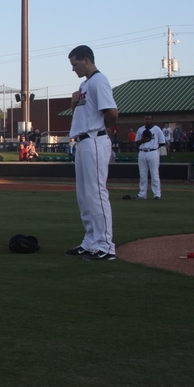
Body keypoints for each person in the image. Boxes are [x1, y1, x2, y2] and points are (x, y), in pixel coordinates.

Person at [63, 45, 118, 261]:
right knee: (84, 196)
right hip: (83, 142)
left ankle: (106, 245)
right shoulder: (84, 84)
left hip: (95, 139)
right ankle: (90, 241)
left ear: (86, 60)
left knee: (96, 193)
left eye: (75, 64)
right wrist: (73, 102)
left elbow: (112, 112)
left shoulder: (99, 81)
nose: (73, 69)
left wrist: (104, 128)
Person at [134, 115, 165, 200]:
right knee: (142, 174)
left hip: (153, 151)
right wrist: (143, 140)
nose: (148, 120)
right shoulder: (140, 129)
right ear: (144, 120)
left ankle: (157, 194)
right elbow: (136, 142)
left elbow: (162, 142)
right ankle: (142, 194)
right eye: (146, 119)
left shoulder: (157, 129)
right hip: (142, 152)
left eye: (149, 119)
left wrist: (154, 147)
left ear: (152, 120)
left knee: (154, 174)